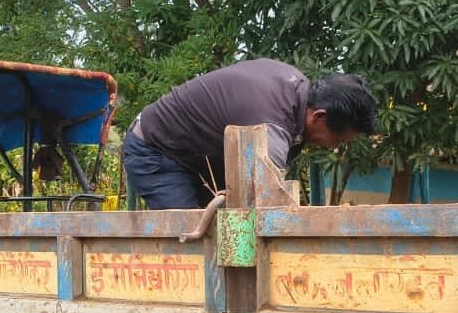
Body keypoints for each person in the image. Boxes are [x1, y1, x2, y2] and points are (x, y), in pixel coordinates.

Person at [122, 59, 378, 209]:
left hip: (197, 159)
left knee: (219, 236)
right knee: (195, 246)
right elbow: (267, 206)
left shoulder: (296, 91)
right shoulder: (270, 126)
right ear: (319, 116)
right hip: (157, 150)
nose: (333, 147)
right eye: (338, 140)